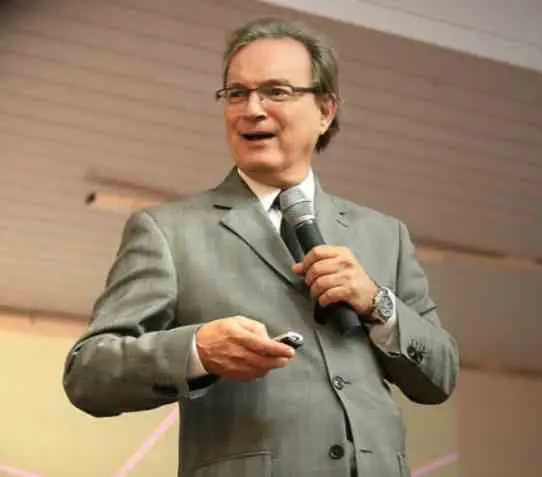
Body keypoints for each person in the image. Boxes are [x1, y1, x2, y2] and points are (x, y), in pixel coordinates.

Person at [63, 17, 459, 477]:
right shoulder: (167, 231)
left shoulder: (384, 235)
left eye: (276, 91)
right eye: (237, 93)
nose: (252, 109)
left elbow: (440, 376)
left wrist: (377, 303)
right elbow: (87, 373)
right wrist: (197, 351)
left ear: (325, 110)